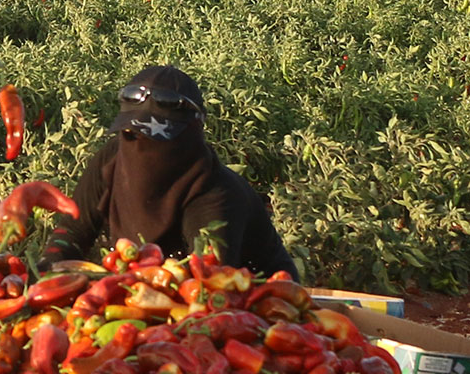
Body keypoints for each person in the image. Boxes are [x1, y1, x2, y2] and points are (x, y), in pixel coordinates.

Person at [46, 66, 295, 276]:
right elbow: (73, 231)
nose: (138, 146)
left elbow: (207, 280)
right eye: (132, 133)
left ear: (189, 140)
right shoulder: (112, 157)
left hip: (264, 302)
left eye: (156, 139)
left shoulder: (214, 193)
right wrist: (44, 274)